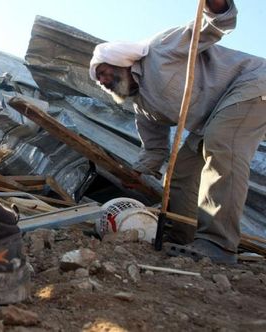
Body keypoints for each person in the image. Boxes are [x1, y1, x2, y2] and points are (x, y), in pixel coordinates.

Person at [89, 0, 266, 264]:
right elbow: (154, 148)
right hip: (214, 114)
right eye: (98, 80)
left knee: (221, 144)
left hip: (250, 82)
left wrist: (216, 6)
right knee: (180, 170)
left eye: (102, 72)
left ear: (119, 60)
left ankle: (218, 244)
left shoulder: (160, 49)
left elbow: (214, 25)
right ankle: (183, 237)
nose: (102, 82)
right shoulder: (143, 107)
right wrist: (137, 172)